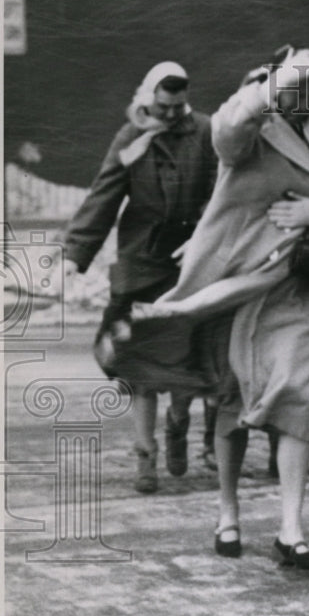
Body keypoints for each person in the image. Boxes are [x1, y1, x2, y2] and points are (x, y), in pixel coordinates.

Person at [136, 46, 309, 569]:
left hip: (297, 282)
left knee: (295, 401)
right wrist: (273, 85)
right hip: (236, 281)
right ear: (281, 83)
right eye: (301, 85)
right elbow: (226, 135)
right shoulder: (252, 118)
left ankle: (291, 531)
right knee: (232, 403)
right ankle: (228, 512)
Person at [63, 61, 218, 494]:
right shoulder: (131, 137)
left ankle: (180, 421)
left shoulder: (205, 132)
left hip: (190, 262)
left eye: (178, 107)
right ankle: (144, 456)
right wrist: (75, 255)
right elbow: (105, 195)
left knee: (186, 362)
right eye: (163, 106)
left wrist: (204, 234)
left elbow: (218, 192)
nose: (171, 115)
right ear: (148, 97)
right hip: (143, 261)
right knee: (140, 367)